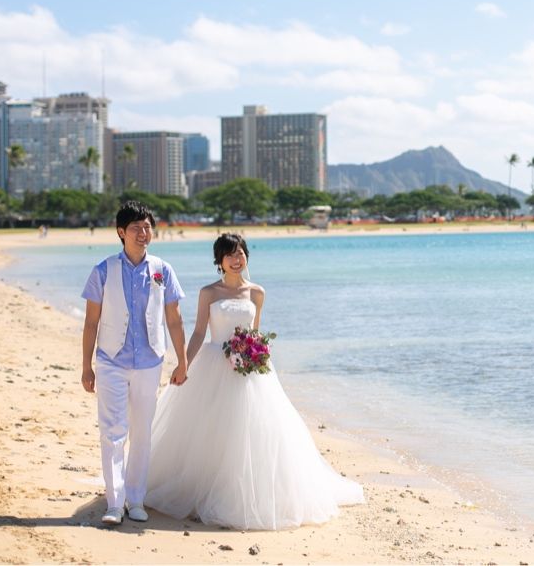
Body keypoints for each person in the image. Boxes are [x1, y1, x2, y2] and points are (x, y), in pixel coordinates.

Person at [145, 233, 364, 529]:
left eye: (240, 254)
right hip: (214, 365)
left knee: (254, 431)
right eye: (230, 255)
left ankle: (245, 494)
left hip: (249, 370)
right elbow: (198, 332)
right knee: (211, 431)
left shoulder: (257, 293)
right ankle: (203, 492)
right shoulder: (209, 292)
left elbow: (256, 332)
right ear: (219, 260)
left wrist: (256, 353)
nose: (236, 260)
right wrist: (184, 364)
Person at [81, 201, 188, 526]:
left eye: (147, 227)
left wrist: (182, 361)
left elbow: (174, 319)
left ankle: (136, 498)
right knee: (112, 432)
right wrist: (86, 366)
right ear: (121, 232)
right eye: (136, 228)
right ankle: (115, 503)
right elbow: (91, 322)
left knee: (142, 433)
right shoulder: (103, 270)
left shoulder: (162, 269)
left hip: (150, 361)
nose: (143, 233)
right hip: (111, 360)